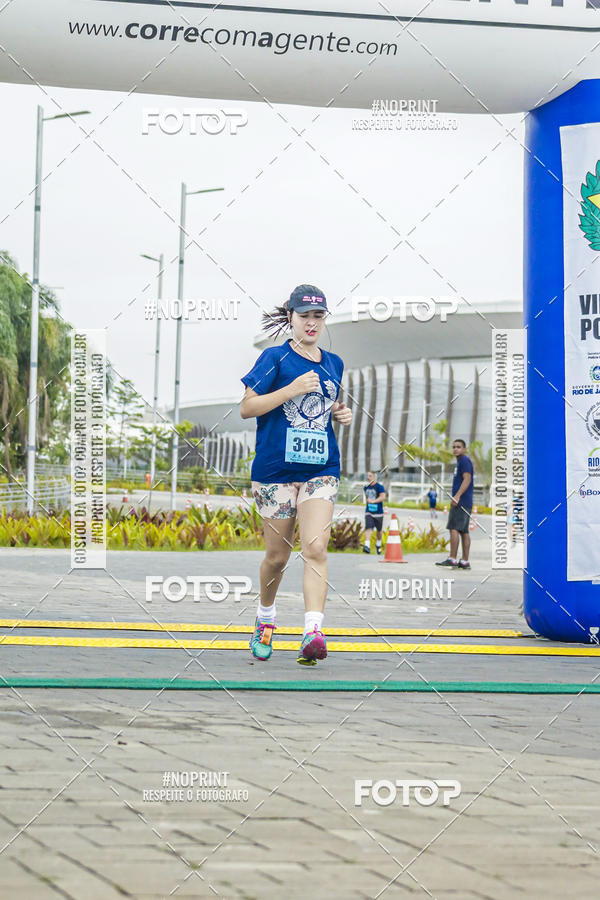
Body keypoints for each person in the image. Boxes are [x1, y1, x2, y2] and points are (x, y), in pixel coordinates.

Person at [240, 284, 352, 665]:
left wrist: (338, 412)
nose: (312, 323)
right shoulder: (274, 358)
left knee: (315, 548)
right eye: (304, 316)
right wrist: (289, 390)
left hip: (321, 469)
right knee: (277, 556)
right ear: (290, 317)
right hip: (275, 471)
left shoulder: (334, 363)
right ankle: (265, 617)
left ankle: (312, 631)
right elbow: (247, 408)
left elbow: (321, 406)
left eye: (318, 316)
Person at [435, 439, 474, 570]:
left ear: (464, 449)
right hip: (465, 501)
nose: (455, 449)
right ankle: (464, 561)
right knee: (464, 531)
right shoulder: (460, 462)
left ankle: (452, 558)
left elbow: (467, 479)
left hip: (461, 501)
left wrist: (457, 496)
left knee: (454, 528)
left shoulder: (464, 461)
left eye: (458, 447)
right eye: (454, 447)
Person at [363, 471, 386, 554]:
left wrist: (373, 501)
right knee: (368, 527)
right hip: (369, 512)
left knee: (379, 531)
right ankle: (367, 546)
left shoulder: (380, 487)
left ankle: (378, 545)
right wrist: (368, 501)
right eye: (367, 476)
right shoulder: (366, 487)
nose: (368, 477)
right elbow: (367, 497)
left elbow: (383, 497)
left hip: (378, 513)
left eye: (370, 476)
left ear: (374, 477)